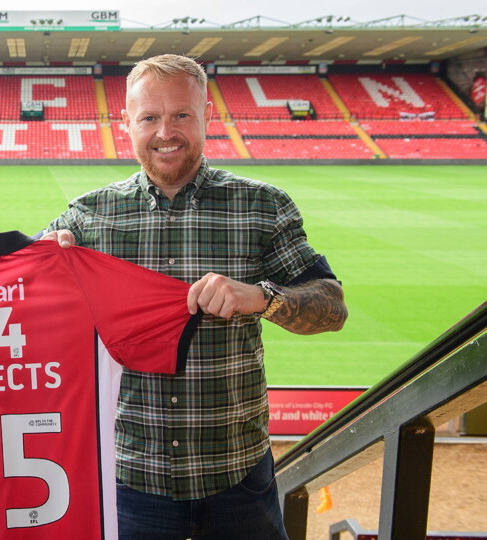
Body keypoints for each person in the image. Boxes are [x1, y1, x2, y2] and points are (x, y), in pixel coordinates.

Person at [45, 54, 348, 539]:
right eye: (149, 117)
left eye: (181, 114)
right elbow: (10, 287)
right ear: (126, 123)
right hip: (130, 480)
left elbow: (332, 307)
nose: (166, 131)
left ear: (208, 114)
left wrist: (262, 298)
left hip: (238, 478)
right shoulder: (87, 218)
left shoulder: (262, 205)